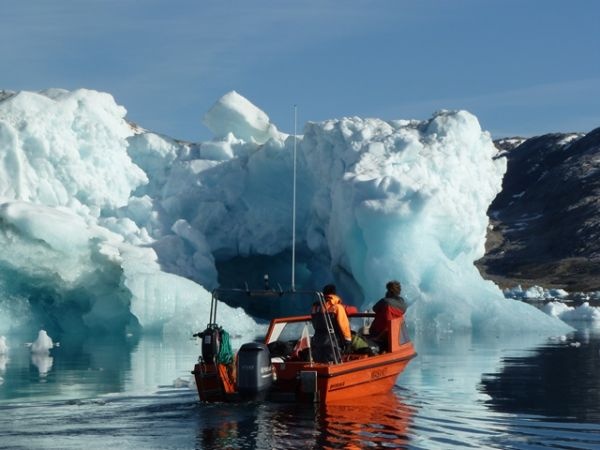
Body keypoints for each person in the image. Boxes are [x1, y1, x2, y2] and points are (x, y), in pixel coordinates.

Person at [311, 284, 353, 362]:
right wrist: (348, 342)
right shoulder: (337, 307)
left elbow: (314, 323)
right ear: (334, 293)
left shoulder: (316, 307)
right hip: (332, 341)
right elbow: (344, 326)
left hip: (317, 340)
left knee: (319, 363)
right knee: (333, 362)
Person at [369, 280, 407, 351]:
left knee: (362, 332)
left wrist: (386, 297)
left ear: (390, 291)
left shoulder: (385, 301)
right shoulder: (402, 304)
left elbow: (375, 308)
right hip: (396, 337)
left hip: (379, 334)